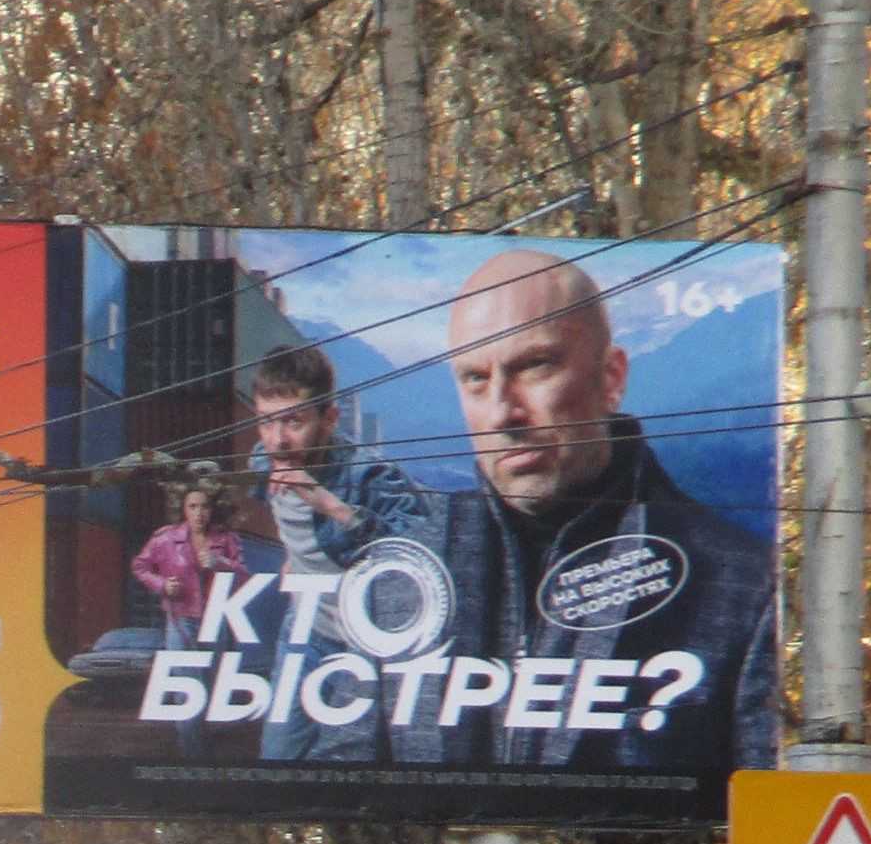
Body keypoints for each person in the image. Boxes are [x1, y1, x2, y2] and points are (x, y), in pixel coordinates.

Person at [385, 251, 778, 784]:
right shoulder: (397, 578)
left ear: (611, 377)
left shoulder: (742, 592)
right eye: (475, 379)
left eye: (534, 366)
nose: (503, 412)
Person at [243, 342, 436, 766]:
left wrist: (331, 506)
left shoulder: (369, 474)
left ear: (329, 419)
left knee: (356, 763)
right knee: (277, 756)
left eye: (293, 422)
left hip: (366, 644)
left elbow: (417, 555)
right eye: (266, 422)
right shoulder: (264, 460)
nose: (278, 439)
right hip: (306, 630)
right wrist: (292, 558)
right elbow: (280, 511)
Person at [129, 483, 247, 633]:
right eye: (193, 506)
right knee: (179, 657)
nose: (199, 513)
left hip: (215, 618)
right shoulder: (166, 538)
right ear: (183, 509)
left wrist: (220, 563)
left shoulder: (227, 539)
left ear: (212, 510)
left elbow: (244, 575)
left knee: (214, 657)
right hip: (180, 616)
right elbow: (139, 566)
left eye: (205, 507)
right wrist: (162, 584)